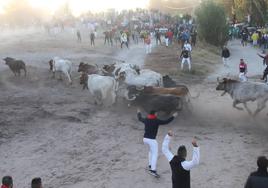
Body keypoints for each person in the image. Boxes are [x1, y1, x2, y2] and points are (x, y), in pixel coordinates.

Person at [137, 109, 178, 178]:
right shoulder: (156, 121)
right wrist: (173, 116)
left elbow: (140, 118)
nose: (157, 114)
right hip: (152, 140)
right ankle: (153, 170)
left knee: (150, 152)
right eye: (156, 113)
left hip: (145, 139)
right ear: (154, 114)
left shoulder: (146, 119)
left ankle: (150, 165)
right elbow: (166, 122)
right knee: (155, 155)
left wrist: (138, 112)